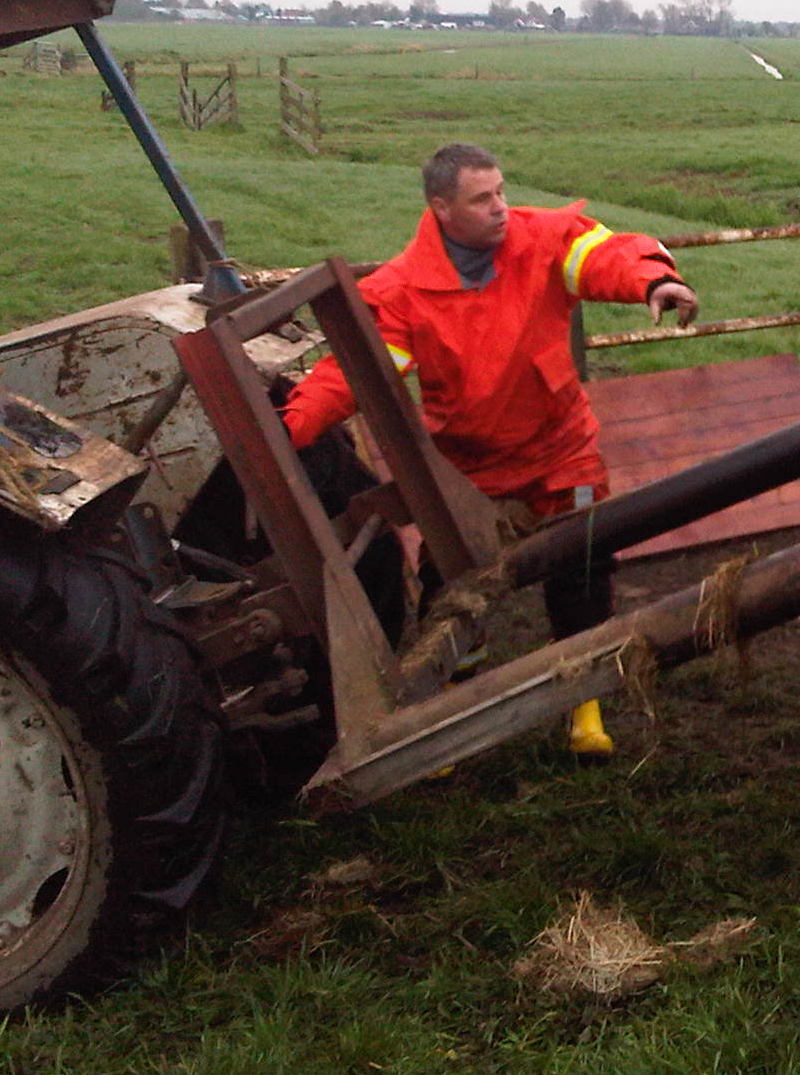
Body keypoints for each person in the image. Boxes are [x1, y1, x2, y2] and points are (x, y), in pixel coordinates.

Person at [283, 142, 698, 755]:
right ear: (441, 209)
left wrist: (656, 281)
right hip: (473, 471)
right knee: (452, 589)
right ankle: (454, 706)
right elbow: (354, 374)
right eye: (483, 199)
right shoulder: (401, 292)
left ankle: (582, 707)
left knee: (582, 572)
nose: (502, 207)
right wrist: (292, 428)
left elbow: (609, 254)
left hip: (563, 452)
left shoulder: (545, 241)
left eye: (501, 191)